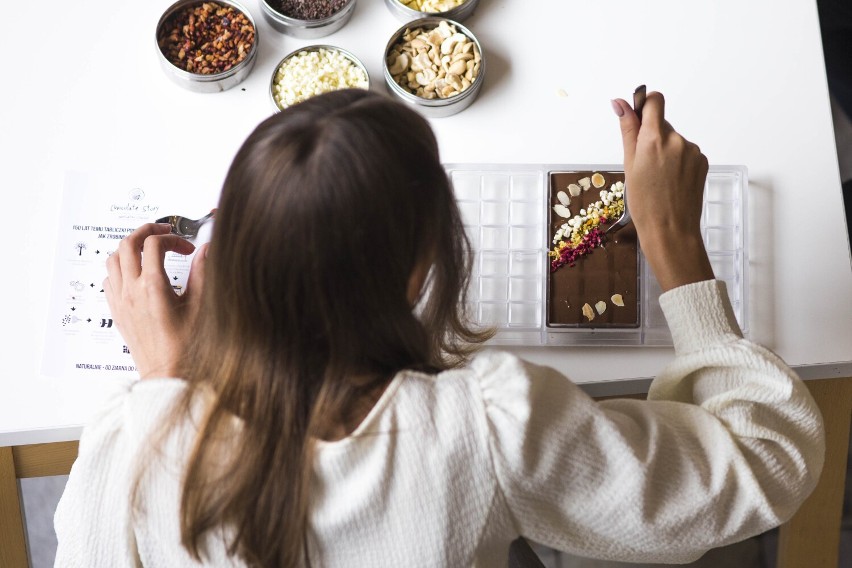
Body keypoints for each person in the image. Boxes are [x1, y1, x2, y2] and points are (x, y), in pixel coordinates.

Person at [54, 89, 824, 567]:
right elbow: (765, 464)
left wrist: (166, 392)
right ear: (425, 272)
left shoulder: (127, 447)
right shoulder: (488, 423)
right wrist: (678, 252)